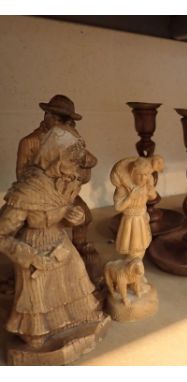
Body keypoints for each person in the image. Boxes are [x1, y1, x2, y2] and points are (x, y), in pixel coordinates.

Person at [0, 126, 104, 349]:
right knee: (37, 296)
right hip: (32, 247)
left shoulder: (64, 182)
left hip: (58, 241)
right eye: (71, 161)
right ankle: (34, 330)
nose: (75, 168)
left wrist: (71, 218)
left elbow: (58, 212)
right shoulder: (27, 191)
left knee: (76, 271)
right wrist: (30, 256)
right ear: (55, 159)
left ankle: (72, 320)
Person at [16, 95, 100, 281]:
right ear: (47, 115)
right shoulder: (30, 142)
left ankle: (81, 246)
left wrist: (83, 165)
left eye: (66, 120)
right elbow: (21, 176)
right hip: (39, 200)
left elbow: (85, 168)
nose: (63, 124)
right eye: (58, 118)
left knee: (84, 215)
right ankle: (41, 259)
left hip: (64, 196)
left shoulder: (68, 141)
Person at [110, 156, 163, 259]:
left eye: (146, 175)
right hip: (130, 220)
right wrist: (130, 197)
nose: (143, 178)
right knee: (132, 247)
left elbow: (153, 196)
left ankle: (136, 266)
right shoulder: (123, 188)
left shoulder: (146, 184)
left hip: (141, 217)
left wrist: (150, 187)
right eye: (139, 175)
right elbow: (118, 206)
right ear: (132, 173)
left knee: (141, 246)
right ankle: (131, 266)